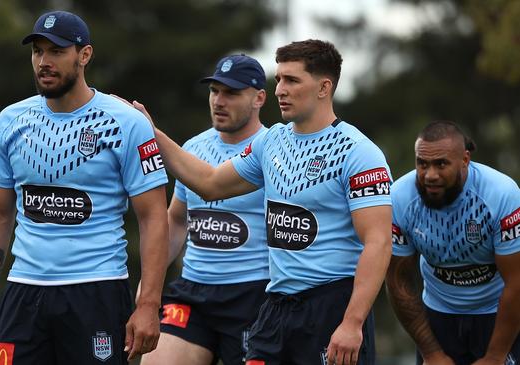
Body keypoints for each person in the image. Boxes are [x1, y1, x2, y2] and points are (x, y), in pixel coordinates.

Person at [133, 40, 392, 365]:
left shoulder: (359, 152)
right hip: (276, 307)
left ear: (325, 87)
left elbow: (379, 242)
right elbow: (210, 184)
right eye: (279, 78)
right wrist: (151, 131)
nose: (280, 89)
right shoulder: (272, 141)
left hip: (331, 305)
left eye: (292, 80)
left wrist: (353, 323)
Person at [0, 10, 169, 364]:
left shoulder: (125, 123)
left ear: (84, 55)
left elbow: (153, 218)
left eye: (56, 52)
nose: (44, 62)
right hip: (24, 290)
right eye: (37, 51)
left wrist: (148, 304)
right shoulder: (12, 120)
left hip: (97, 291)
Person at [140, 54, 270, 365]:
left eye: (232, 93)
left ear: (259, 98)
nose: (219, 101)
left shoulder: (272, 149)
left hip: (253, 295)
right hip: (194, 292)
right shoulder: (193, 147)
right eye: (215, 91)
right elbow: (176, 220)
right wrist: (149, 284)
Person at [386, 120, 520, 365]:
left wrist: (495, 356)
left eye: (441, 164)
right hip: (438, 316)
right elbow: (398, 280)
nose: (430, 175)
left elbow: (517, 281)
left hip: (497, 315)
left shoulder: (501, 193)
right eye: (422, 164)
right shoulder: (400, 197)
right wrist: (431, 353)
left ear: (465, 160)